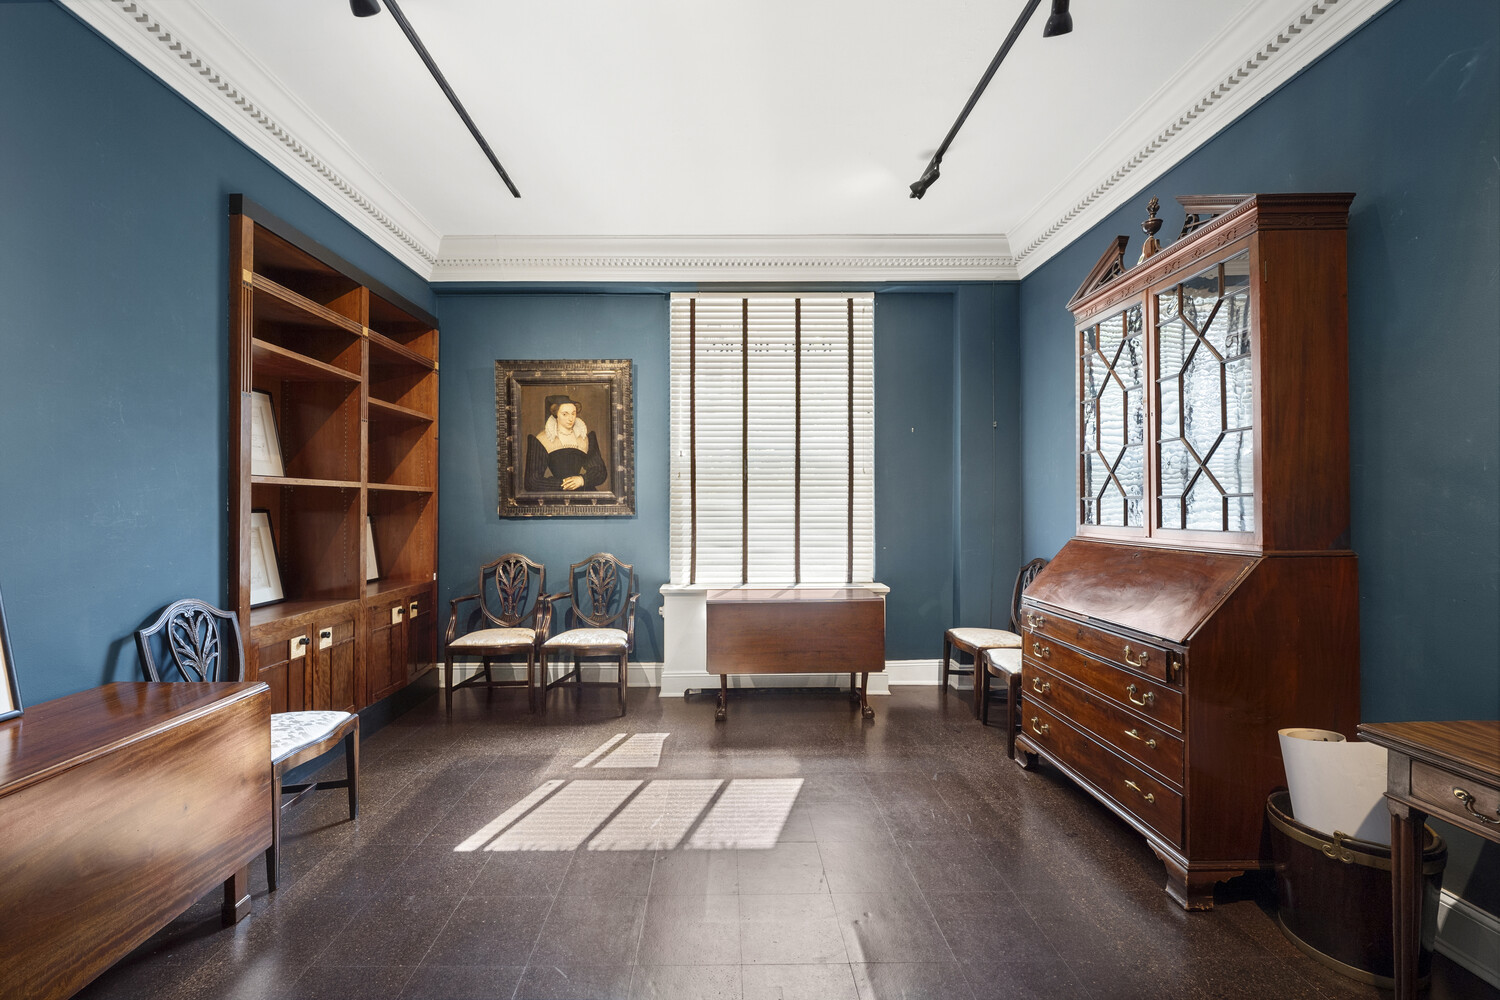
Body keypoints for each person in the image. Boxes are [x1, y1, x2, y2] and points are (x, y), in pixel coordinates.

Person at [524, 394, 608, 492]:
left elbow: (599, 471)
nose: (570, 418)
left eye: (573, 413)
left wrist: (582, 480)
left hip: (583, 490)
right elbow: (532, 481)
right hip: (556, 492)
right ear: (556, 415)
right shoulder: (542, 439)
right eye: (565, 414)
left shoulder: (584, 438)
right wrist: (564, 484)